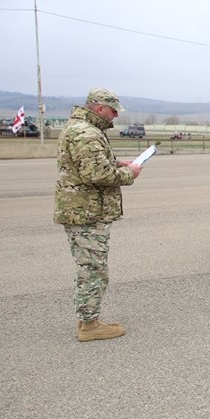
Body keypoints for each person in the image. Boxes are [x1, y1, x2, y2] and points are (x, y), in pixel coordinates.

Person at [55, 87, 142, 342]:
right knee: (93, 269)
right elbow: (96, 174)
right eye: (113, 111)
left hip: (81, 210)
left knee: (89, 266)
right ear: (100, 108)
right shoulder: (86, 133)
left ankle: (88, 318)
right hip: (87, 212)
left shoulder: (80, 128)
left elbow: (89, 164)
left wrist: (116, 163)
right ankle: (89, 326)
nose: (116, 116)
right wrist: (129, 174)